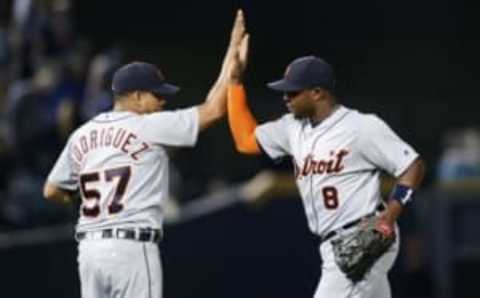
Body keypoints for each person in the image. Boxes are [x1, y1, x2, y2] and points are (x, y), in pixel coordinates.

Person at [43, 10, 248, 298]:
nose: (162, 100)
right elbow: (214, 109)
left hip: (90, 252)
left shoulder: (82, 134)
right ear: (136, 96)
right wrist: (232, 59)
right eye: (156, 94)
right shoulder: (147, 126)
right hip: (131, 250)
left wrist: (85, 200)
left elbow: (52, 190)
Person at [226, 37, 426, 297]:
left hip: (363, 236)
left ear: (317, 92)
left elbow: (413, 166)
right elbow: (245, 140)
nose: (286, 97)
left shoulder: (361, 126)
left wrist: (389, 217)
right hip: (336, 244)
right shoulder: (291, 128)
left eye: (293, 91)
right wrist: (233, 83)